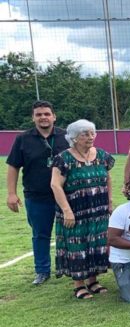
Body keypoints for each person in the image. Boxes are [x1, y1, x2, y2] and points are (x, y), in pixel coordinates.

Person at [6, 100, 69, 285]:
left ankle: (67, 266)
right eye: (39, 114)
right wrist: (11, 193)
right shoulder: (23, 139)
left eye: (47, 114)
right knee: (40, 234)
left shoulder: (65, 137)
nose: (43, 117)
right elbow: (13, 166)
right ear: (33, 117)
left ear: (54, 116)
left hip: (65, 195)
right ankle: (42, 271)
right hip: (36, 196)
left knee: (68, 232)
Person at [50, 120, 115, 299]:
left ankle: (93, 281)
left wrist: (109, 202)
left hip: (98, 211)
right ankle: (79, 284)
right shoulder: (63, 159)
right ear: (74, 138)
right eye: (84, 134)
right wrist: (66, 211)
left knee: (96, 243)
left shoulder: (102, 155)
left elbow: (107, 179)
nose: (90, 137)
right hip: (75, 211)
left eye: (92, 133)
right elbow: (55, 185)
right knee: (77, 245)